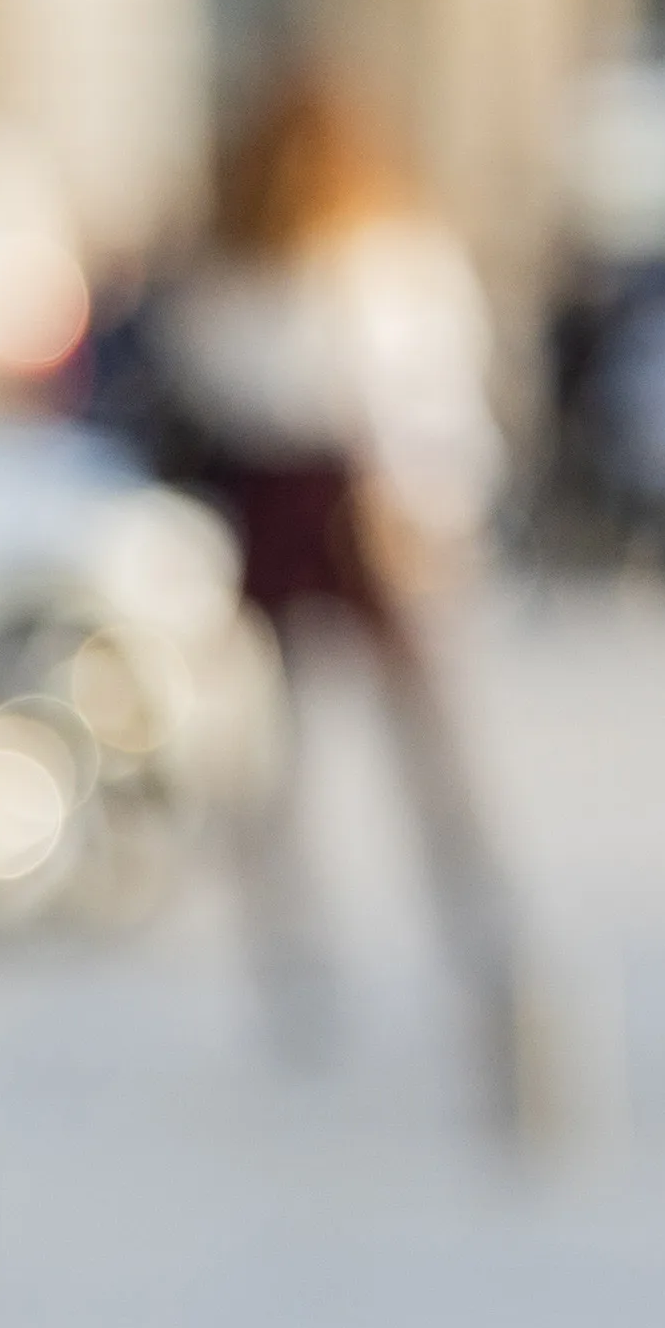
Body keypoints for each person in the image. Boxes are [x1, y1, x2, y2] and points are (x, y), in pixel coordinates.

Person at [147, 72, 540, 1123]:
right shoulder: (376, 254)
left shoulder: (257, 262)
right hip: (352, 495)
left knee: (295, 754)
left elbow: (218, 377)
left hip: (300, 498)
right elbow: (431, 389)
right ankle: (464, 930)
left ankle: (311, 950)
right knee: (398, 747)